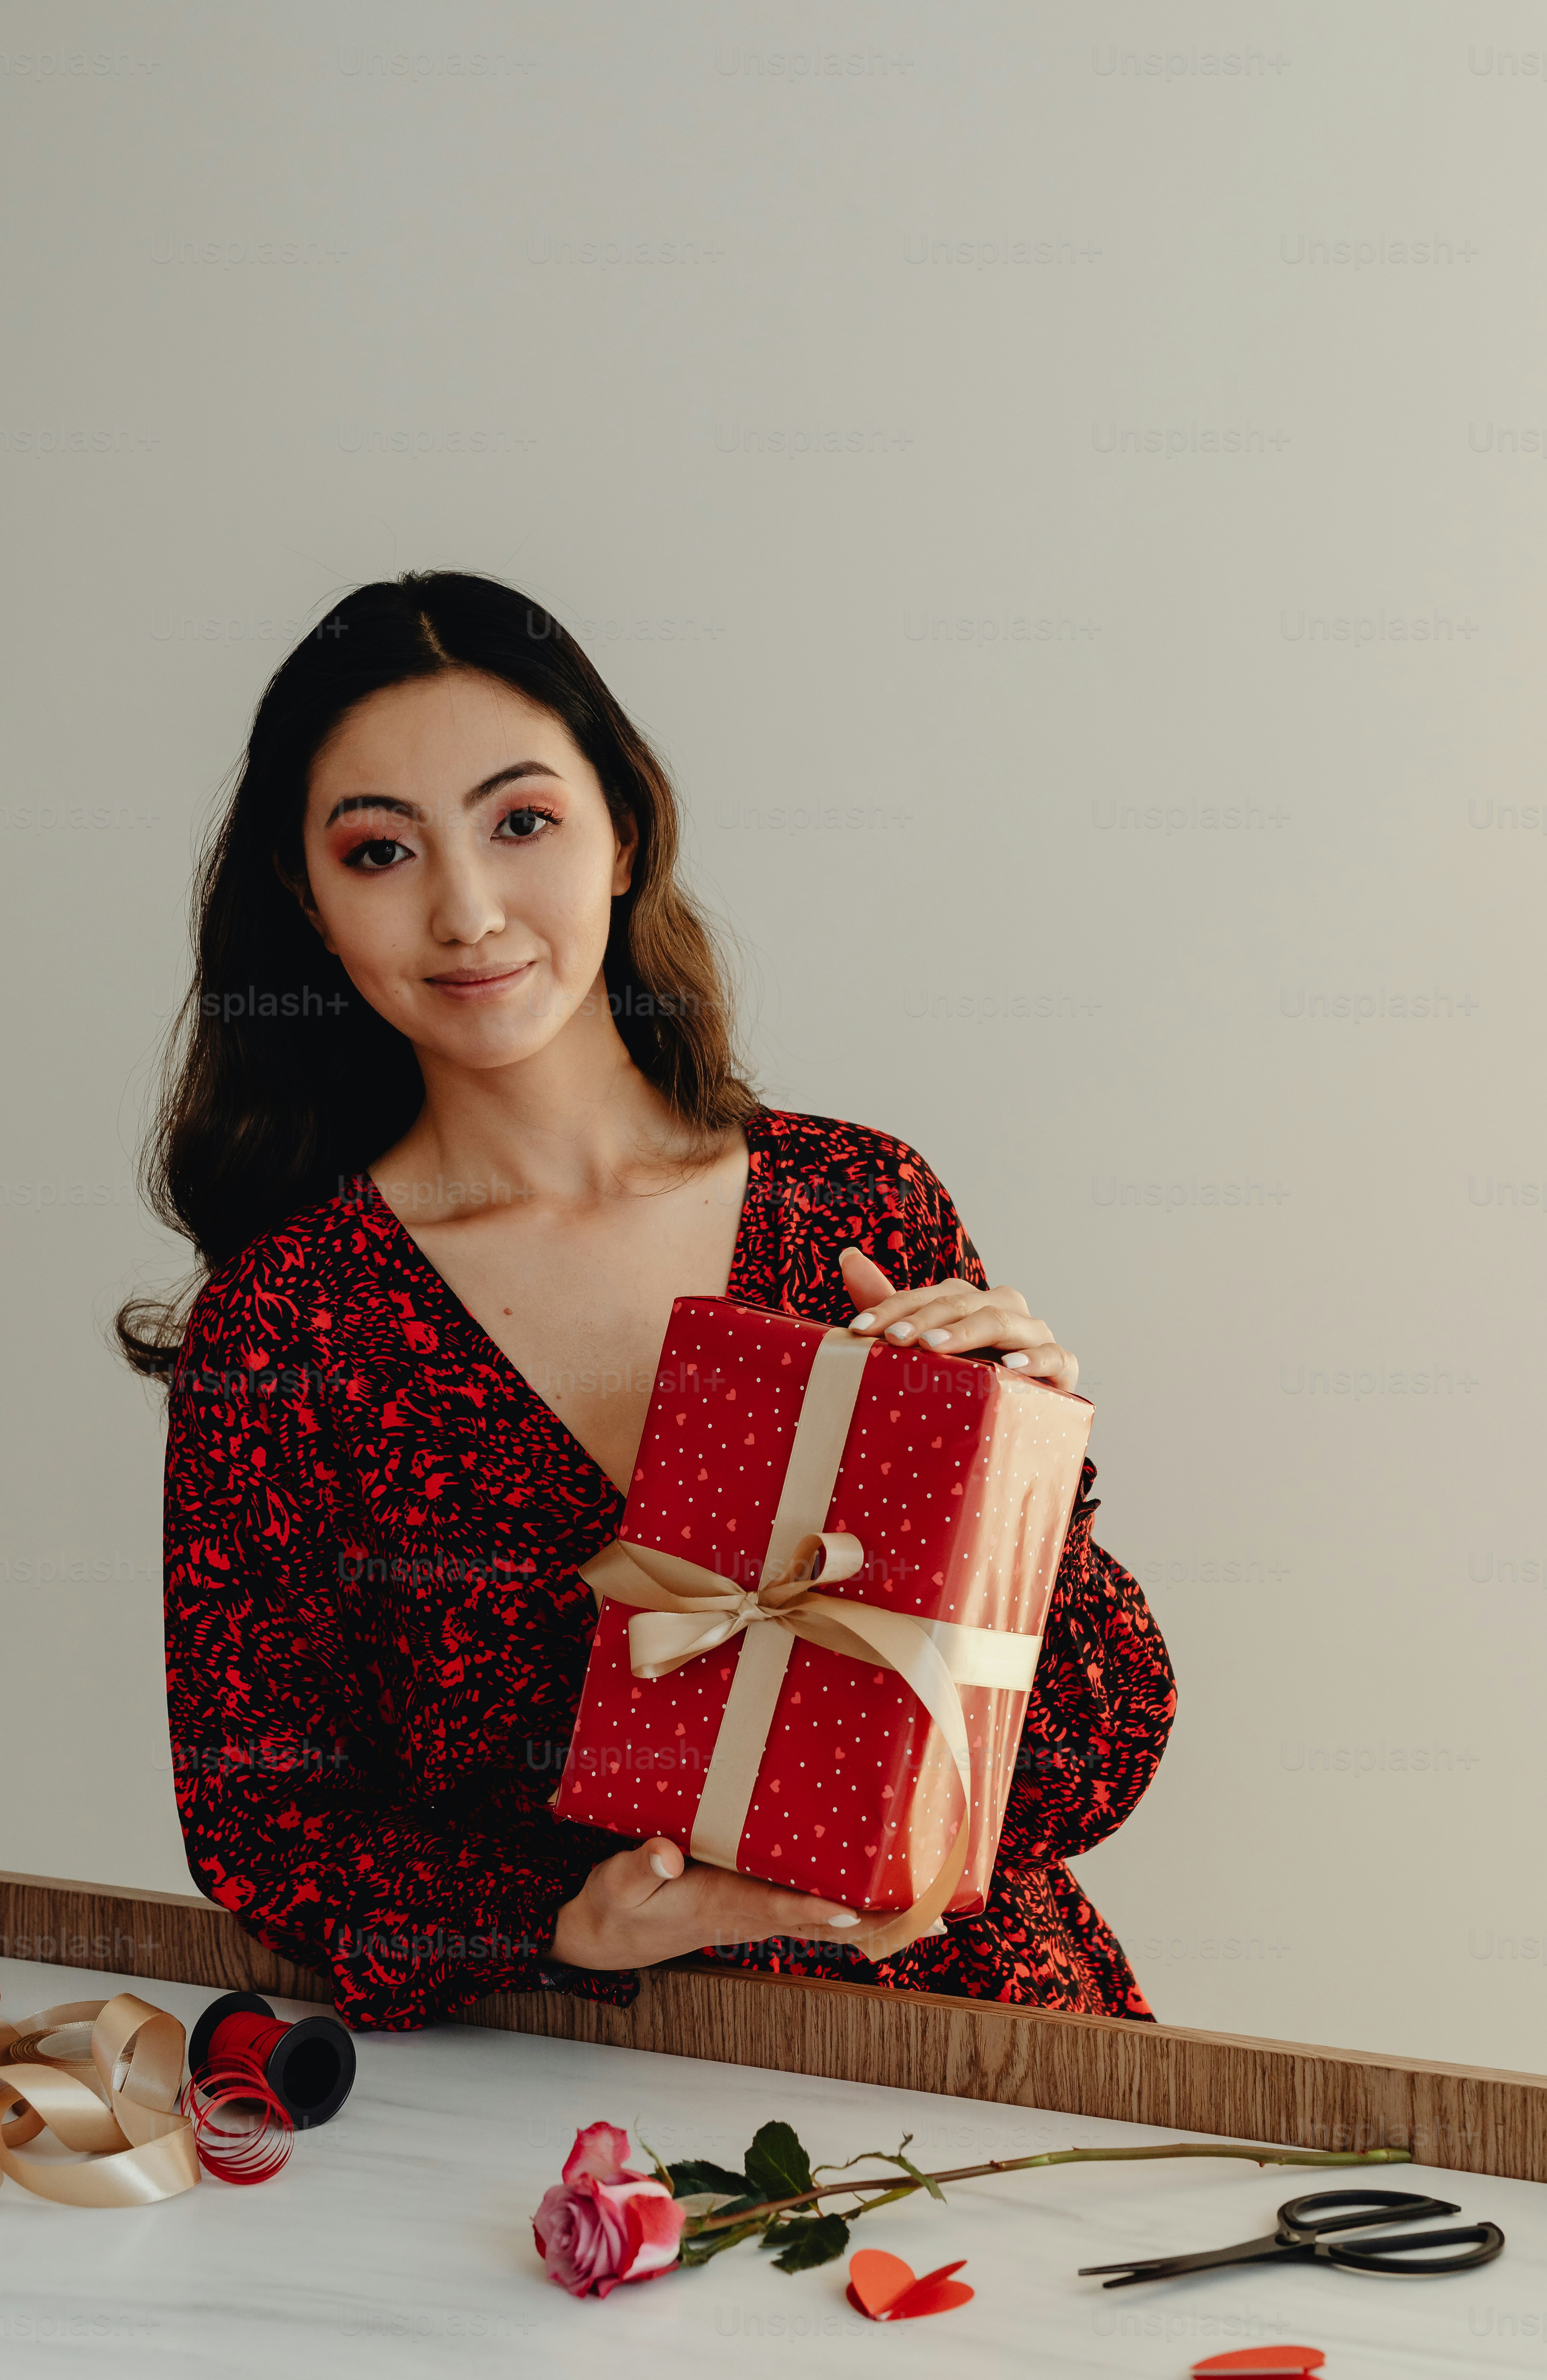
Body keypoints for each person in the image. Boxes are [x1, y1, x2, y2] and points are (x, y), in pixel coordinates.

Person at [120, 571, 1175, 2033]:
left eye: (523, 822)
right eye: (380, 851)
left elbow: (1092, 1745)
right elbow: (267, 1835)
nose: (468, 909)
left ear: (624, 832)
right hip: (582, 2121)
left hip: (988, 2050)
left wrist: (1027, 1477)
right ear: (308, 902)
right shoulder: (292, 1325)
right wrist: (559, 1927)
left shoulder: (851, 1203)